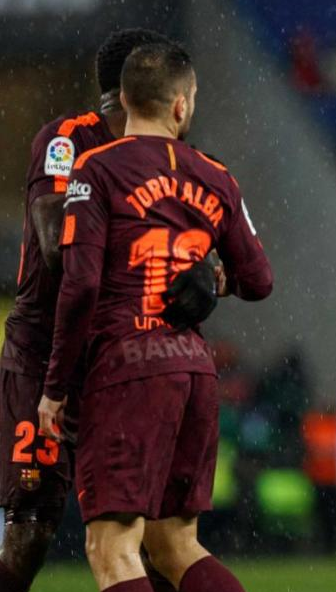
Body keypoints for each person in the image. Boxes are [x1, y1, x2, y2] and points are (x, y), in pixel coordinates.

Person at [37, 42, 272, 592]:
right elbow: (258, 280)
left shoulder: (95, 169)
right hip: (193, 371)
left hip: (125, 369)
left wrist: (55, 386)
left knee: (111, 548)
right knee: (175, 544)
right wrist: (216, 278)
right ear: (181, 106)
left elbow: (81, 285)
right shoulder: (216, 175)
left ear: (123, 99)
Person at [0, 28, 214, 592]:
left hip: (124, 361)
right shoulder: (68, 141)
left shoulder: (178, 161)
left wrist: (204, 276)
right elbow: (54, 246)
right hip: (44, 353)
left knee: (155, 532)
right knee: (33, 525)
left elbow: (222, 263)